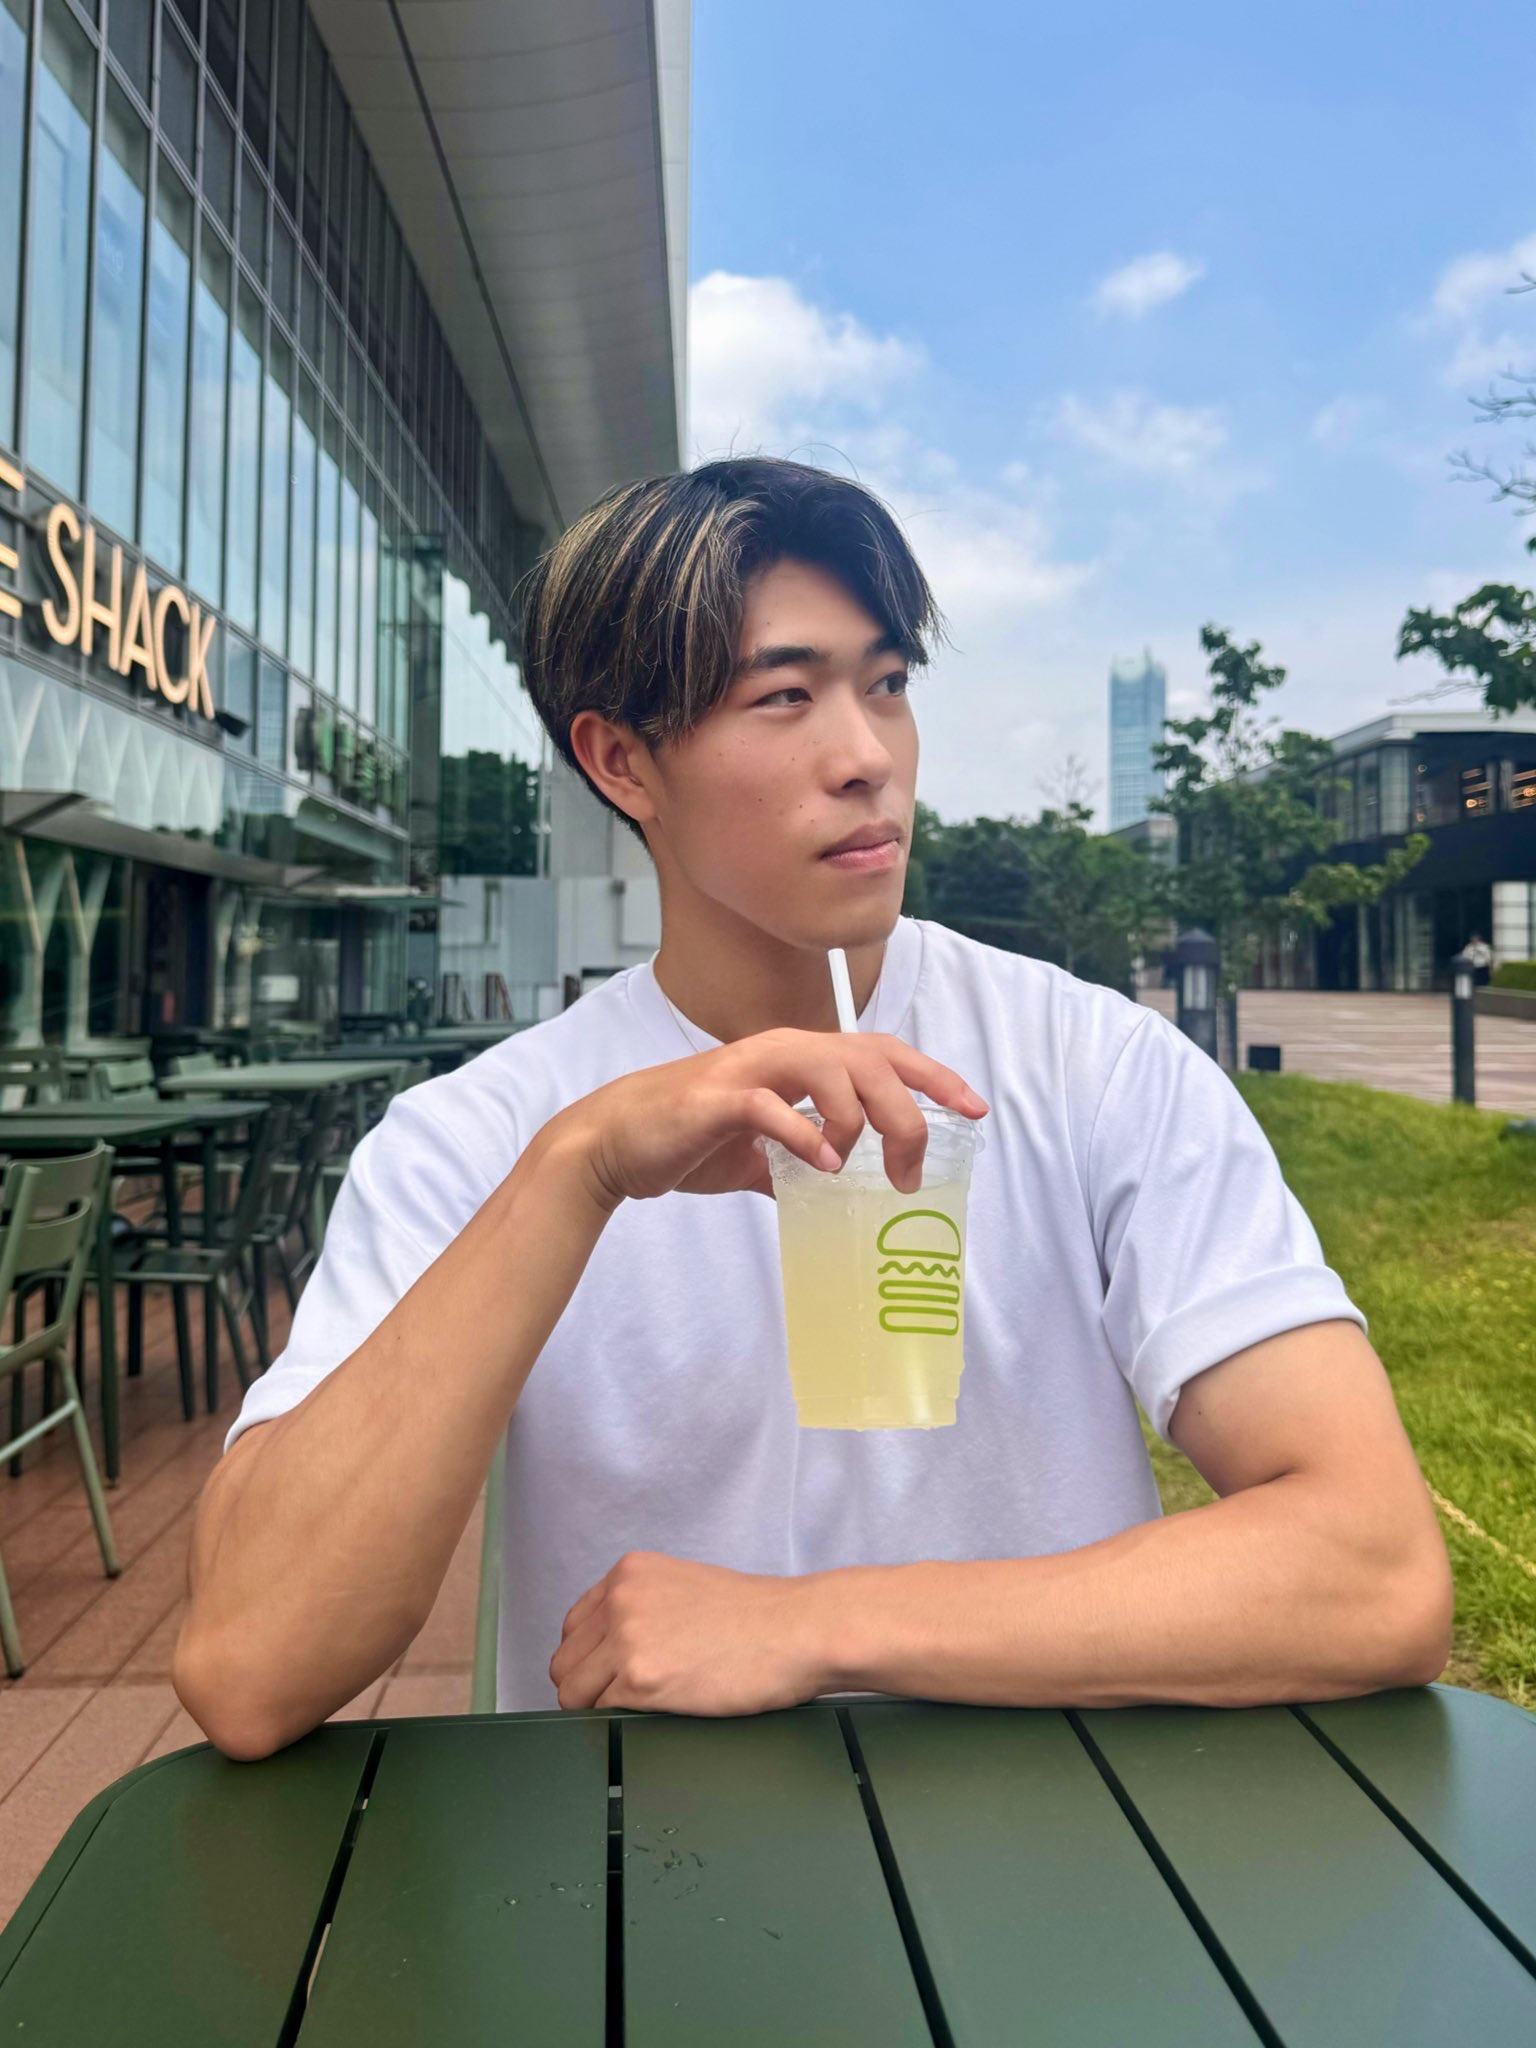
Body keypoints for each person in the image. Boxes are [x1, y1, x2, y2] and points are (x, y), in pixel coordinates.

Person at [175, 458, 1452, 1759]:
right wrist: (578, 1173)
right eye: (784, 697)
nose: (867, 758)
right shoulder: (481, 1137)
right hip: (642, 1853)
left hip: (1061, 1831)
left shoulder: (1091, 1066)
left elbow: (1375, 1572)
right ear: (622, 761)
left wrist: (816, 1625)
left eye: (887, 685)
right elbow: (250, 1666)